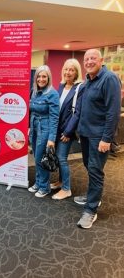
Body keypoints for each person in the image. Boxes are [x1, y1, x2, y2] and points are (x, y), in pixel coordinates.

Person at [76, 49, 121, 229]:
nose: (89, 62)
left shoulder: (109, 79)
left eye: (93, 58)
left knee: (95, 170)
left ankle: (91, 210)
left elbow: (113, 112)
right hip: (87, 134)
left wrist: (106, 138)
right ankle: (92, 195)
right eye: (86, 59)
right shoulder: (89, 80)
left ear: (101, 60)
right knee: (89, 166)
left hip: (99, 136)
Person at [51, 59, 84, 200]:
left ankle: (66, 189)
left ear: (76, 72)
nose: (68, 72)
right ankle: (61, 181)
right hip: (57, 129)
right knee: (58, 158)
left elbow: (78, 113)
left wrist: (68, 132)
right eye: (66, 69)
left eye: (71, 70)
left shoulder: (79, 88)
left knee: (62, 158)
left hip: (67, 131)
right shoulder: (61, 86)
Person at [28, 65, 60, 198]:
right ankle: (39, 182)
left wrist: (51, 138)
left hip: (45, 128)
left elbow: (54, 117)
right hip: (34, 127)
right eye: (39, 76)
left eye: (44, 76)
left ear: (48, 78)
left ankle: (44, 187)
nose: (41, 79)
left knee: (42, 158)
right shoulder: (34, 91)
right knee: (36, 157)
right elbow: (31, 111)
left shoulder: (52, 94)